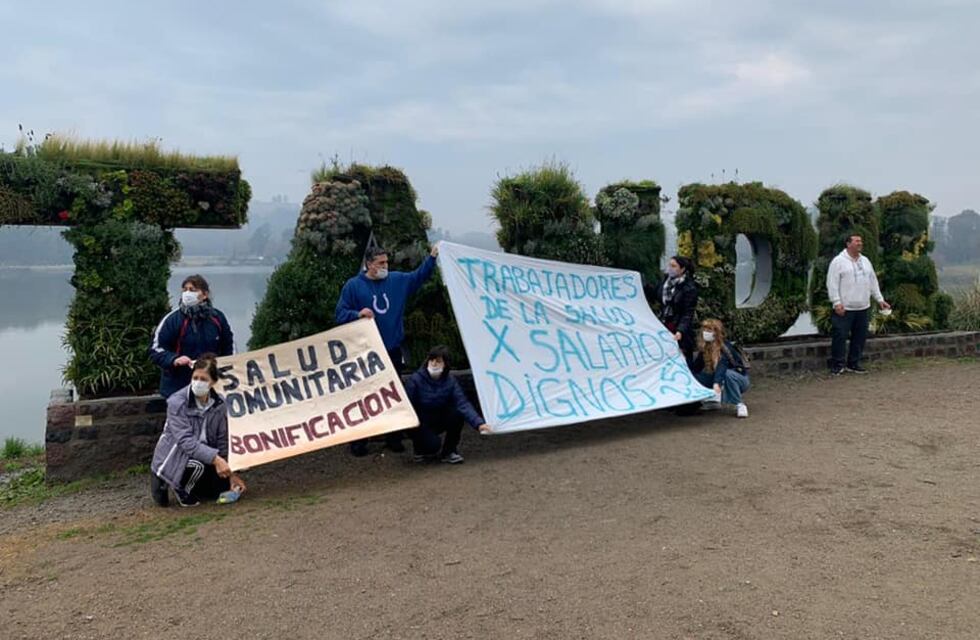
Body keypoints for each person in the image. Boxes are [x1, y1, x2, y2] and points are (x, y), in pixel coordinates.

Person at [335, 243, 439, 456]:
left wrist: (432, 258)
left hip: (391, 349)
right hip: (365, 352)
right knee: (363, 395)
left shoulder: (397, 280)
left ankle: (393, 437)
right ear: (369, 264)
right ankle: (359, 440)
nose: (385, 266)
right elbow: (340, 314)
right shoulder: (353, 286)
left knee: (392, 394)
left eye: (387, 262)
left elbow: (419, 276)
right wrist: (357, 314)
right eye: (381, 263)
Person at [149, 354, 246, 507]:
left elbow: (222, 440)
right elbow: (185, 441)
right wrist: (217, 460)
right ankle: (176, 486)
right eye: (195, 378)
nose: (198, 383)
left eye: (203, 379)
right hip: (177, 455)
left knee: (220, 489)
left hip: (205, 453)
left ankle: (194, 485)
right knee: (196, 466)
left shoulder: (220, 405)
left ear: (213, 382)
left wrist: (231, 474)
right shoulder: (177, 402)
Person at [149, 275, 234, 398]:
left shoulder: (217, 318)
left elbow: (229, 348)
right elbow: (155, 349)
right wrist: (174, 359)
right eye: (185, 289)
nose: (187, 293)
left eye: (193, 290)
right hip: (177, 388)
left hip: (211, 387)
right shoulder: (172, 320)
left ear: (205, 295)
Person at [404, 345, 491, 464]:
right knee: (432, 446)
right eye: (432, 360)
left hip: (438, 417)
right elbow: (407, 406)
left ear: (445, 364)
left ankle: (449, 451)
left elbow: (463, 403)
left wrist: (479, 424)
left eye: (438, 361)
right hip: (420, 422)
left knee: (457, 414)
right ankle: (419, 449)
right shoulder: (415, 380)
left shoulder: (450, 381)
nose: (434, 364)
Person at [826, 234, 891, 375]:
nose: (860, 243)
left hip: (863, 307)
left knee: (859, 337)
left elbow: (873, 281)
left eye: (861, 241)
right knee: (840, 337)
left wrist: (880, 299)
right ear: (848, 244)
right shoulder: (838, 262)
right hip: (844, 308)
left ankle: (853, 364)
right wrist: (836, 302)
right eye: (857, 241)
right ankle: (837, 365)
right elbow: (832, 283)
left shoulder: (866, 261)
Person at [691, 319, 751, 419]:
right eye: (705, 329)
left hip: (739, 379)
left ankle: (739, 404)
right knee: (696, 377)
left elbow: (722, 366)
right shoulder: (705, 347)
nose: (706, 332)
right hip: (718, 379)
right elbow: (696, 367)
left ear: (716, 333)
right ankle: (712, 401)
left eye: (709, 330)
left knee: (727, 374)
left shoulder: (725, 347)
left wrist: (716, 383)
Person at [645, 256, 699, 366]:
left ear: (682, 269)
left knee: (681, 358)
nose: (670, 268)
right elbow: (655, 295)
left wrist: (680, 330)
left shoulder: (689, 288)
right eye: (669, 265)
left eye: (674, 266)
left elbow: (688, 312)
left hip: (678, 328)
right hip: (664, 323)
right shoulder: (665, 283)